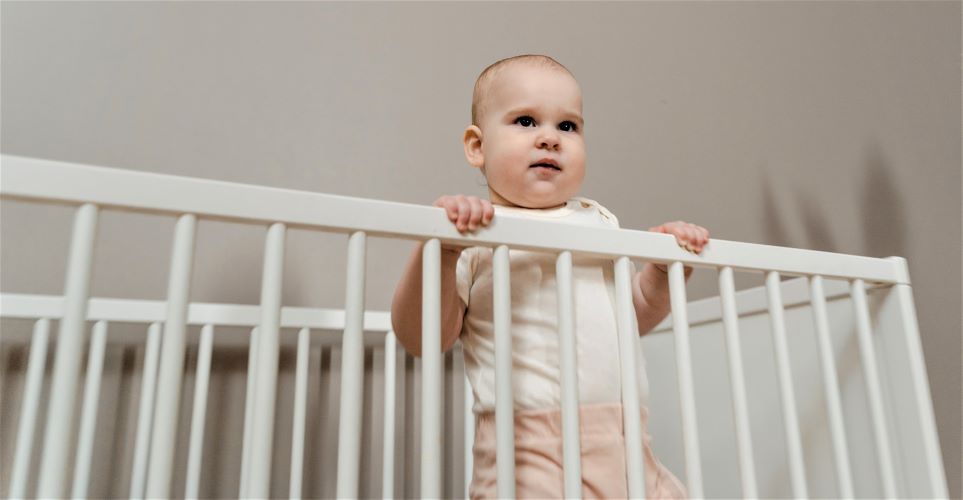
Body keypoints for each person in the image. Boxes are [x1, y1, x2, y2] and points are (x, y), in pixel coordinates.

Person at [390, 54, 708, 499]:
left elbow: (629, 317)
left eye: (568, 127)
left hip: (627, 441)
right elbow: (423, 338)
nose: (549, 139)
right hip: (529, 448)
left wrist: (664, 268)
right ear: (477, 147)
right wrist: (440, 251)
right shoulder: (472, 228)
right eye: (525, 121)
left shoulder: (600, 222)